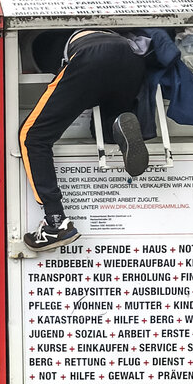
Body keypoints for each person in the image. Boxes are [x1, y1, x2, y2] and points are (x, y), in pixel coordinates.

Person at [21, 29, 149, 252]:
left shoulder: (41, 46)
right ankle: (118, 122)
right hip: (130, 56)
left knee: (33, 137)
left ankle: (55, 223)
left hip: (88, 55)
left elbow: (57, 81)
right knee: (105, 124)